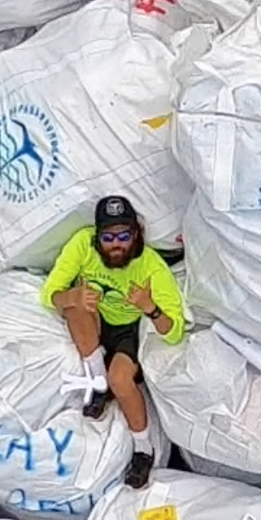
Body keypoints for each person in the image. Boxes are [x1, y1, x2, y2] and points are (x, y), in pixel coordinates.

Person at [40, 194, 184, 490]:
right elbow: (49, 294)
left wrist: (150, 307)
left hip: (130, 332)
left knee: (121, 379)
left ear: (137, 233)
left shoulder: (151, 266)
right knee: (75, 308)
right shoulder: (82, 244)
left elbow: (175, 331)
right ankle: (97, 380)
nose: (116, 244)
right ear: (97, 236)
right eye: (108, 237)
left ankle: (143, 449)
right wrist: (71, 297)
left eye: (124, 235)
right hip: (97, 322)